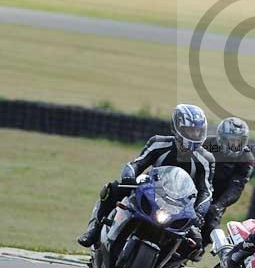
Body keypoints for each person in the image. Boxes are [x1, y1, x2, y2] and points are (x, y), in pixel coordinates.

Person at [77, 104, 214, 255]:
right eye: (190, 130)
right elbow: (136, 164)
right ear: (177, 127)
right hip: (151, 192)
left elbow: (206, 191)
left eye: (198, 131)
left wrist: (199, 212)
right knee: (112, 189)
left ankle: (168, 265)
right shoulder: (158, 143)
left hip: (180, 205)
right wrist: (129, 176)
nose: (194, 134)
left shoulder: (206, 159)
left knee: (195, 246)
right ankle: (94, 230)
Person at [202, 117, 255, 245]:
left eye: (238, 141)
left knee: (210, 227)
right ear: (222, 137)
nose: (234, 144)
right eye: (231, 140)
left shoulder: (247, 158)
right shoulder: (206, 144)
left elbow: (236, 188)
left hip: (218, 197)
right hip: (196, 188)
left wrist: (218, 206)